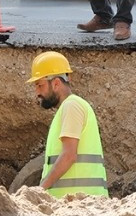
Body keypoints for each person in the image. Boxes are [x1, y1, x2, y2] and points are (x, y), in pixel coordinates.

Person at [26, 51, 109, 198]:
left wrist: (39, 191)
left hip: (81, 203)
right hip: (78, 203)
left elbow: (69, 155)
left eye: (40, 85)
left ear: (56, 83)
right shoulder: (69, 107)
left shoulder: (72, 106)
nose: (37, 92)